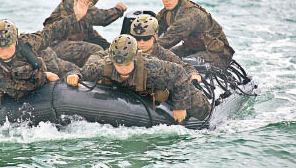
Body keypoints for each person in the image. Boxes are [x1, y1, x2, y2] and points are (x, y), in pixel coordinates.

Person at [0, 0, 91, 117]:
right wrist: (44, 77)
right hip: (1, 81)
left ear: (15, 41)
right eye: (0, 48)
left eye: (8, 46)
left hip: (36, 67)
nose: (4, 52)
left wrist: (76, 17)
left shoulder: (26, 42)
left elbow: (51, 33)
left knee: (78, 71)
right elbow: (17, 91)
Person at [66, 35, 210, 122]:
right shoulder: (104, 66)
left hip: (159, 84)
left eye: (127, 64)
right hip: (131, 88)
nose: (122, 68)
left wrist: (180, 106)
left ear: (134, 58)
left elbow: (178, 73)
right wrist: (74, 76)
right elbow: (82, 71)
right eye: (118, 64)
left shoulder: (152, 67)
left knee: (201, 110)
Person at [43, 0, 128, 67]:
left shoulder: (85, 12)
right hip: (53, 47)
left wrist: (112, 49)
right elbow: (101, 18)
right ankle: (90, 75)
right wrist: (119, 9)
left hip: (64, 47)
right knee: (95, 50)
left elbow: (92, 37)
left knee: (103, 50)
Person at [155, 0, 235, 70]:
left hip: (217, 54)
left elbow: (168, 40)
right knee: (163, 57)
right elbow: (153, 29)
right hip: (192, 49)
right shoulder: (167, 12)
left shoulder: (189, 14)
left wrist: (141, 52)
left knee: (180, 64)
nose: (166, 0)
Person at [130, 14, 201, 81]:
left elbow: (185, 67)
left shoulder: (164, 55)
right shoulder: (128, 52)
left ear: (155, 36)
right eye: (137, 38)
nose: (141, 42)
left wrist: (193, 74)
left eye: (146, 38)